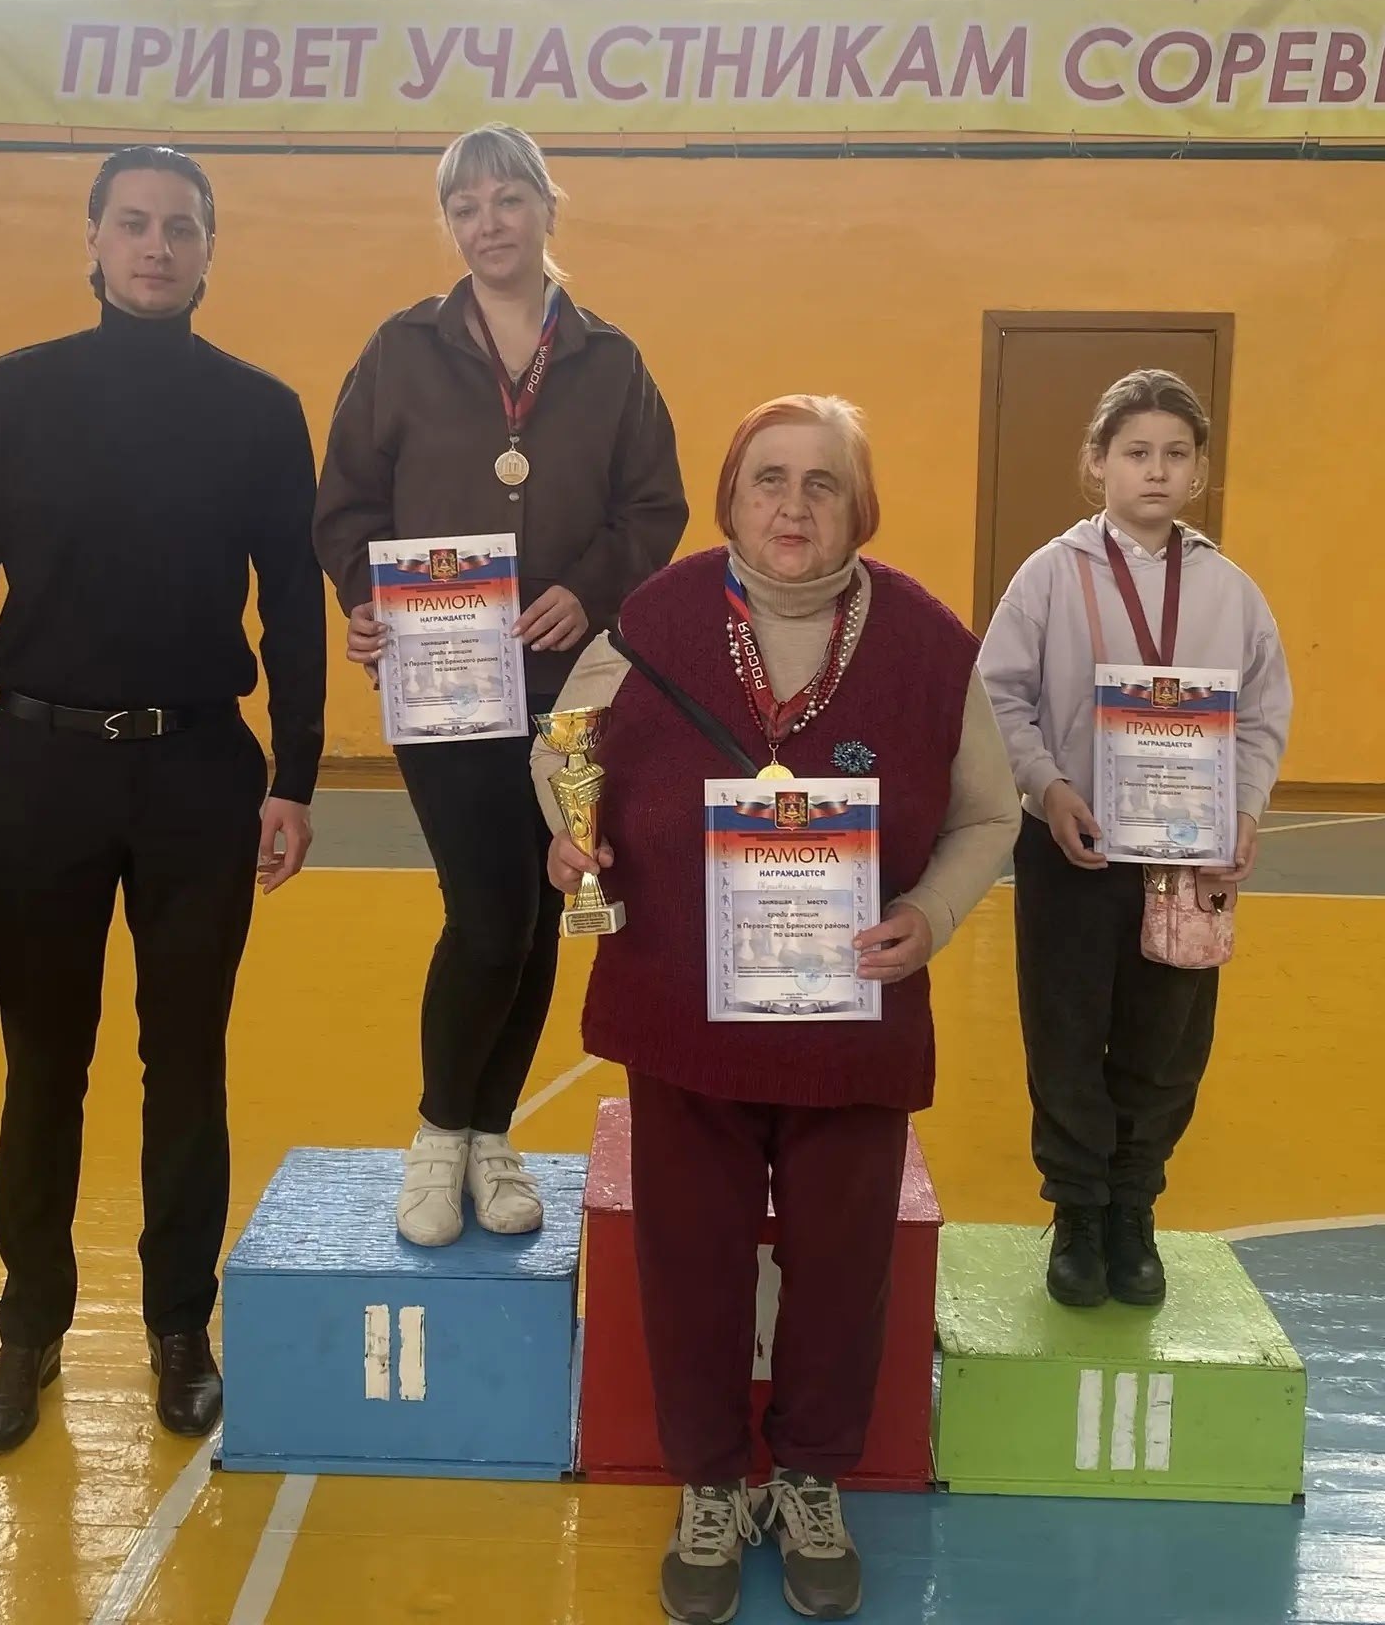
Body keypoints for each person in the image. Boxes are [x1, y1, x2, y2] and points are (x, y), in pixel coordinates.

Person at [535, 394, 1017, 1625]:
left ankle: (809, 1479)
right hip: (679, 1010)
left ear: (861, 506)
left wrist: (933, 915)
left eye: (821, 482)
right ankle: (709, 1484)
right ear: (730, 498)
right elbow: (562, 748)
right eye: (768, 479)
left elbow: (987, 814)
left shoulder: (926, 641)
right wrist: (571, 835)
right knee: (688, 1259)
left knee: (844, 1267)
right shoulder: (658, 616)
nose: (792, 506)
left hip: (853, 1017)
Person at [0, 145, 327, 1455]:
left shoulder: (261, 411)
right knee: (47, 1066)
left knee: (186, 1064)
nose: (156, 246)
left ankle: (180, 1326)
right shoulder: (13, 394)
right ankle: (29, 1325)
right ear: (90, 241)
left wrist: (296, 776)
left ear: (208, 252)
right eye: (133, 223)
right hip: (39, 772)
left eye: (180, 228)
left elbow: (294, 609)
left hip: (200, 774)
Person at [314, 124, 686, 1248]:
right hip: (445, 690)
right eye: (465, 206)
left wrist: (589, 590)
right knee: (485, 914)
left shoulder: (611, 362)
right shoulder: (399, 352)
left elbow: (654, 508)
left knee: (534, 916)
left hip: (574, 690)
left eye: (507, 199)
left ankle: (492, 1137)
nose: (489, 223)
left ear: (545, 207)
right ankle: (440, 1134)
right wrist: (363, 598)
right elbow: (346, 503)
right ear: (449, 224)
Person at [978, 368, 1291, 1309]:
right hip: (1073, 846)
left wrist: (1243, 812)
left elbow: (1261, 716)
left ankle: (1132, 1207)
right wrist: (1048, 788)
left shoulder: (1232, 592)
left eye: (1176, 454)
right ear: (1097, 463)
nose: (1156, 471)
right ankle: (1077, 1210)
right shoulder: (1049, 575)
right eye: (1136, 453)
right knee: (1067, 1030)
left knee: (1168, 1037)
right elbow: (998, 699)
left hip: (1188, 858)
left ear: (1200, 471)